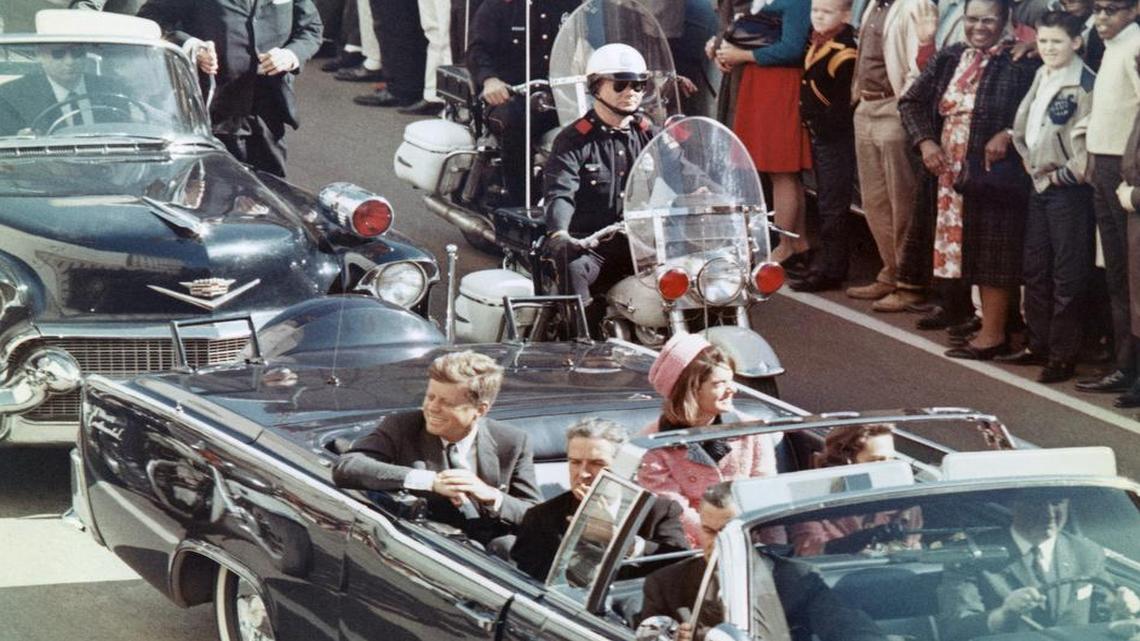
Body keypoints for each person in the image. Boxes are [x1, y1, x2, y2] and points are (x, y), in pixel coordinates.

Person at [898, 0, 1039, 361]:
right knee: (960, 248)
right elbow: (911, 101)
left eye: (988, 20)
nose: (979, 27)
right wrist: (925, 141)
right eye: (972, 19)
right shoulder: (951, 56)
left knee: (994, 248)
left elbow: (1034, 108)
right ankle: (979, 321)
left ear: (1005, 20)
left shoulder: (1020, 61)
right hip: (947, 168)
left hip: (993, 171)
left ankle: (994, 334)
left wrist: (1008, 132)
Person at [332, 351, 541, 542]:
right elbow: (347, 468)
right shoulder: (403, 427)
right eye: (430, 397)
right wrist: (430, 481)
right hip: (426, 548)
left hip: (492, 560)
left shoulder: (512, 442)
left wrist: (492, 496)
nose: (432, 408)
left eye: (447, 403)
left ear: (480, 409)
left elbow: (537, 516)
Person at [638, 483, 889, 641]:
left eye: (727, 533)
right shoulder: (666, 585)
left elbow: (847, 627)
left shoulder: (795, 579)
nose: (717, 543)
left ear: (754, 533)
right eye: (709, 531)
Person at [543, 44, 657, 337]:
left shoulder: (648, 133)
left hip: (642, 245)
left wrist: (706, 192)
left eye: (639, 85)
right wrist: (560, 233)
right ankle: (584, 347)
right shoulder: (573, 139)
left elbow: (680, 170)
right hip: (592, 247)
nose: (631, 91)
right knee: (574, 271)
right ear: (596, 86)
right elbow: (560, 191)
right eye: (620, 83)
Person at [138, 0, 323, 178]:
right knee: (210, 194)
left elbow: (311, 29)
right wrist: (192, 46)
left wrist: (291, 55)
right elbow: (151, 18)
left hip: (267, 113)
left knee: (272, 195)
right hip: (212, 110)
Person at [1007, 11, 1095, 383]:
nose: (1048, 48)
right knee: (1035, 269)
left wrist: (1061, 175)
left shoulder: (1085, 85)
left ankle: (1063, 354)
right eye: (1043, 41)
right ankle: (1037, 342)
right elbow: (1026, 125)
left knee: (1067, 274)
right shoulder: (1042, 74)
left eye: (1056, 41)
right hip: (1038, 183)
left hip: (1067, 190)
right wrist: (1028, 161)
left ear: (1076, 43)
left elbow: (1090, 145)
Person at [637, 333, 779, 546]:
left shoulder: (751, 429)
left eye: (731, 381)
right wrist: (724, 540)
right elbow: (675, 511)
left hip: (752, 537)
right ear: (691, 390)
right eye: (720, 383)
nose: (733, 389)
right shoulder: (654, 443)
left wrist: (775, 551)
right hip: (691, 548)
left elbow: (766, 492)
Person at [937, 496, 1140, 640]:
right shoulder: (972, 556)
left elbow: (1104, 612)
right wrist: (1004, 614)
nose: (1049, 514)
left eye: (1056, 502)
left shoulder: (1085, 551)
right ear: (1013, 505)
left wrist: (1122, 610)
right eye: (1036, 504)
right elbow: (955, 629)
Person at [510, 418, 689, 580]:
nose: (583, 473)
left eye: (597, 464)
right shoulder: (541, 518)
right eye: (575, 462)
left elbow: (680, 564)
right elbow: (531, 582)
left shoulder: (658, 510)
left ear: (626, 466)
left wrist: (623, 542)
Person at [844, 0, 933, 313]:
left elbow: (918, 67)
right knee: (874, 201)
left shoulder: (913, 6)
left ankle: (910, 282)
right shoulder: (872, 7)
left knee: (902, 202)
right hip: (866, 106)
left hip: (893, 107)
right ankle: (890, 271)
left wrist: (903, 105)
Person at [714, 0, 814, 272]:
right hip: (763, 82)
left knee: (782, 171)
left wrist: (743, 56)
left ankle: (786, 245)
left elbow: (792, 49)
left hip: (779, 85)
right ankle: (799, 242)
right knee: (780, 173)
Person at [1073, 0, 1140, 396]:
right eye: (1097, 9)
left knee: (1132, 278)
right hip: (1104, 162)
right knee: (1116, 275)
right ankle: (1125, 366)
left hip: (1124, 167)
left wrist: (1127, 166)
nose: (1101, 18)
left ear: (1133, 10)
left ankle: (1133, 371)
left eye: (1111, 10)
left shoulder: (1135, 46)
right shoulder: (1113, 45)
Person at [466, 0, 579, 206]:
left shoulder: (571, 4)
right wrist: (490, 79)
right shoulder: (500, 5)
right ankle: (519, 204)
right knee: (517, 122)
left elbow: (594, 42)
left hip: (561, 96)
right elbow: (477, 50)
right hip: (510, 96)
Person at [790, 0, 859, 293]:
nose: (818, 17)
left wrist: (825, 125)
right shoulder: (819, 43)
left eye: (827, 12)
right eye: (815, 11)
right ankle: (827, 263)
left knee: (833, 205)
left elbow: (841, 104)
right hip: (820, 134)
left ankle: (832, 268)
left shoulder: (843, 53)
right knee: (826, 199)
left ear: (845, 16)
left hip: (834, 136)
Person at [789, 424, 923, 556]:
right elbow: (808, 550)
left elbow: (914, 548)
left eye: (891, 459)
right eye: (877, 460)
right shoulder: (810, 500)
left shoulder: (905, 502)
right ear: (847, 461)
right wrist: (858, 540)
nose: (889, 467)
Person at [0, 44, 130, 136]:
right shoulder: (11, 96)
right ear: (39, 55)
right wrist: (19, 140)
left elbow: (127, 133)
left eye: (77, 53)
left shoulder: (112, 89)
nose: (70, 61)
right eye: (58, 54)